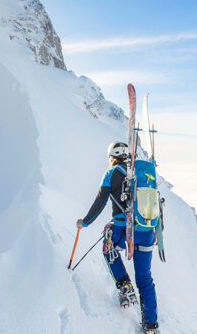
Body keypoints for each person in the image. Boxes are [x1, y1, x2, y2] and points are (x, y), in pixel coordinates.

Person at [76, 141, 159, 333]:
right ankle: (151, 327)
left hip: (123, 230)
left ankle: (124, 284)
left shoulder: (111, 173)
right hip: (146, 232)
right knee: (145, 278)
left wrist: (85, 222)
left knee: (108, 244)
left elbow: (100, 202)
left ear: (112, 157)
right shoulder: (141, 173)